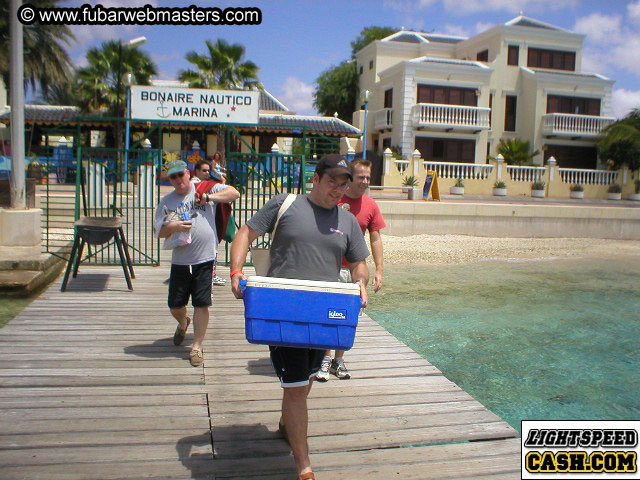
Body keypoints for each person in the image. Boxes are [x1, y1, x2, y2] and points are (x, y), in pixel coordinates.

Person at [230, 154, 370, 480]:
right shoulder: (285, 204)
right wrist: (237, 271)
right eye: (333, 180)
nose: (339, 188)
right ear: (316, 179)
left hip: (323, 316)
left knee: (305, 380)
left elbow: (358, 262)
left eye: (344, 183)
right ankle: (303, 466)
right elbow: (244, 234)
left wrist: (360, 282)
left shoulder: (347, 221)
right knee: (295, 388)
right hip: (283, 309)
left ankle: (286, 423)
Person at [154, 160, 240, 366]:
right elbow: (158, 231)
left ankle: (196, 347)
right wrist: (172, 226)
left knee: (202, 303)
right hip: (181, 261)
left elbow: (234, 194)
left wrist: (209, 198)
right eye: (173, 177)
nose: (178, 180)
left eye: (180, 175)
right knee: (175, 304)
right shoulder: (167, 201)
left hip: (205, 258)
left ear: (187, 173)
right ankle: (183, 322)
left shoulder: (205, 188)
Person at [316, 157, 386, 382]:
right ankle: (324, 359)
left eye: (368, 177)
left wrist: (379, 270)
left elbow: (375, 238)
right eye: (361, 177)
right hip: (329, 267)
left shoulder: (371, 205)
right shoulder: (334, 198)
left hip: (355, 271)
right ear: (350, 178)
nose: (365, 181)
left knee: (346, 316)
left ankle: (339, 359)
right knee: (327, 314)